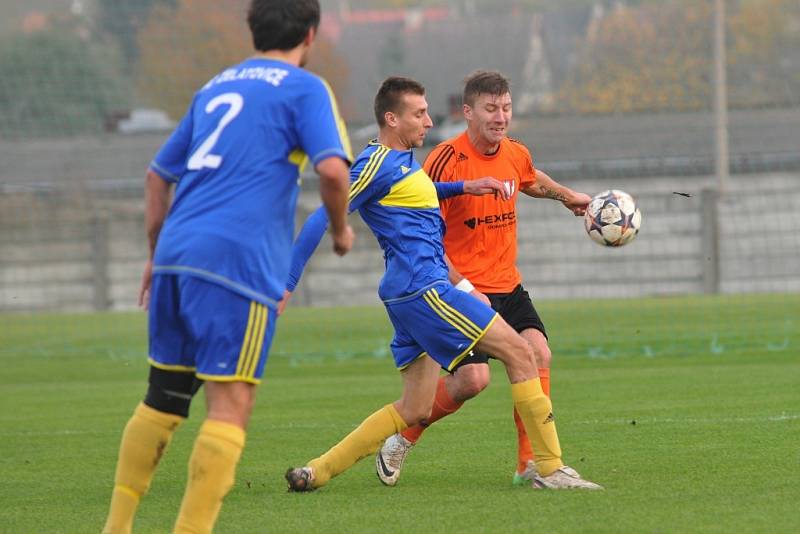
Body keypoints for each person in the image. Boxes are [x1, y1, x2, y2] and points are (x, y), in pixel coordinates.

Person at [102, 2, 353, 532]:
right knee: (230, 404)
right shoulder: (305, 87)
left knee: (163, 398)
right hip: (236, 263)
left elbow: (156, 177)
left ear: (252, 30)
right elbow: (332, 169)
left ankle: (117, 526)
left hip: (175, 254)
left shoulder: (214, 88)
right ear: (311, 33)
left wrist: (154, 257)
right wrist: (341, 229)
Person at [282, 76, 601, 493]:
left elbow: (415, 191)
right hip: (427, 288)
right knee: (522, 353)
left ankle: (317, 471)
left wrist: (464, 186)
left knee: (415, 406)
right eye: (419, 113)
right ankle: (548, 467)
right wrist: (286, 285)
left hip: (404, 294)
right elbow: (321, 215)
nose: (429, 121)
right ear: (392, 118)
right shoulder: (374, 163)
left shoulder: (399, 163)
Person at [376, 70, 593, 487]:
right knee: (472, 381)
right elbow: (426, 233)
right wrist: (460, 284)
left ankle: (530, 465)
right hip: (459, 288)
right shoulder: (444, 159)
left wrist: (568, 198)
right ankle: (402, 438)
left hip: (508, 285)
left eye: (506, 108)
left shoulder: (514, 152)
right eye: (491, 108)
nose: (500, 117)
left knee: (538, 354)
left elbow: (530, 178)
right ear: (468, 111)